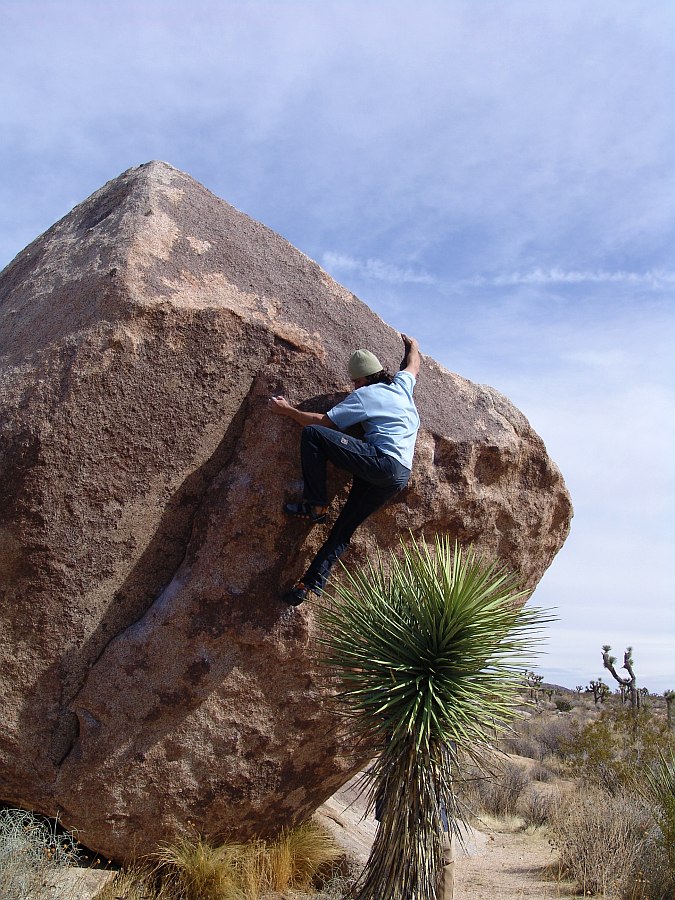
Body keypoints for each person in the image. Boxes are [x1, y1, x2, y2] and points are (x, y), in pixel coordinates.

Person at [268, 333, 421, 605]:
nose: (354, 386)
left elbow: (324, 422)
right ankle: (308, 584)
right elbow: (413, 365)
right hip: (399, 475)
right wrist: (413, 345)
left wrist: (287, 411)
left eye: (356, 381)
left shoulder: (366, 394)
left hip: (380, 460)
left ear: (362, 380)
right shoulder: (401, 386)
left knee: (313, 434)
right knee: (344, 528)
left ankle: (315, 505)